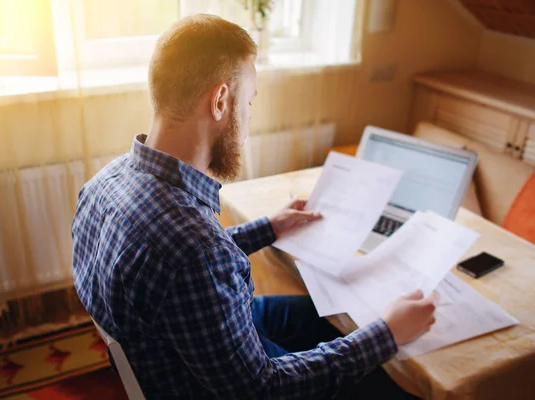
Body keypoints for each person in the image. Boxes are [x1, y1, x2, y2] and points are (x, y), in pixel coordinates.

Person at [72, 14, 437, 399]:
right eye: (248, 101)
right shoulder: (195, 251)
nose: (248, 120)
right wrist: (387, 335)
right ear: (220, 101)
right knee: (392, 377)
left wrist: (269, 226)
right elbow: (264, 389)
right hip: (214, 382)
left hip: (180, 348)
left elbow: (175, 264)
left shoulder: (104, 184)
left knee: (338, 321)